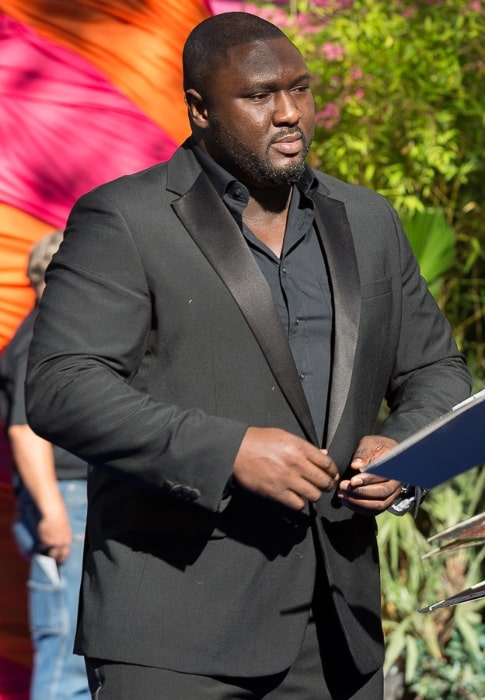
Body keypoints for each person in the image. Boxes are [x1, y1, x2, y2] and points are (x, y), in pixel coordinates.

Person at [25, 12, 471, 700]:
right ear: (200, 108)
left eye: (300, 89)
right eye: (260, 96)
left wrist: (404, 449)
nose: (289, 112)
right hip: (173, 637)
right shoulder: (125, 219)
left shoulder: (367, 220)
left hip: (338, 632)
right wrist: (226, 450)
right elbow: (62, 386)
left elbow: (436, 370)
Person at [0, 231, 90, 700]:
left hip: (71, 500)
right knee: (67, 655)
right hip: (66, 502)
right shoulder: (41, 335)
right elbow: (25, 429)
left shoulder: (39, 332)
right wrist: (54, 513)